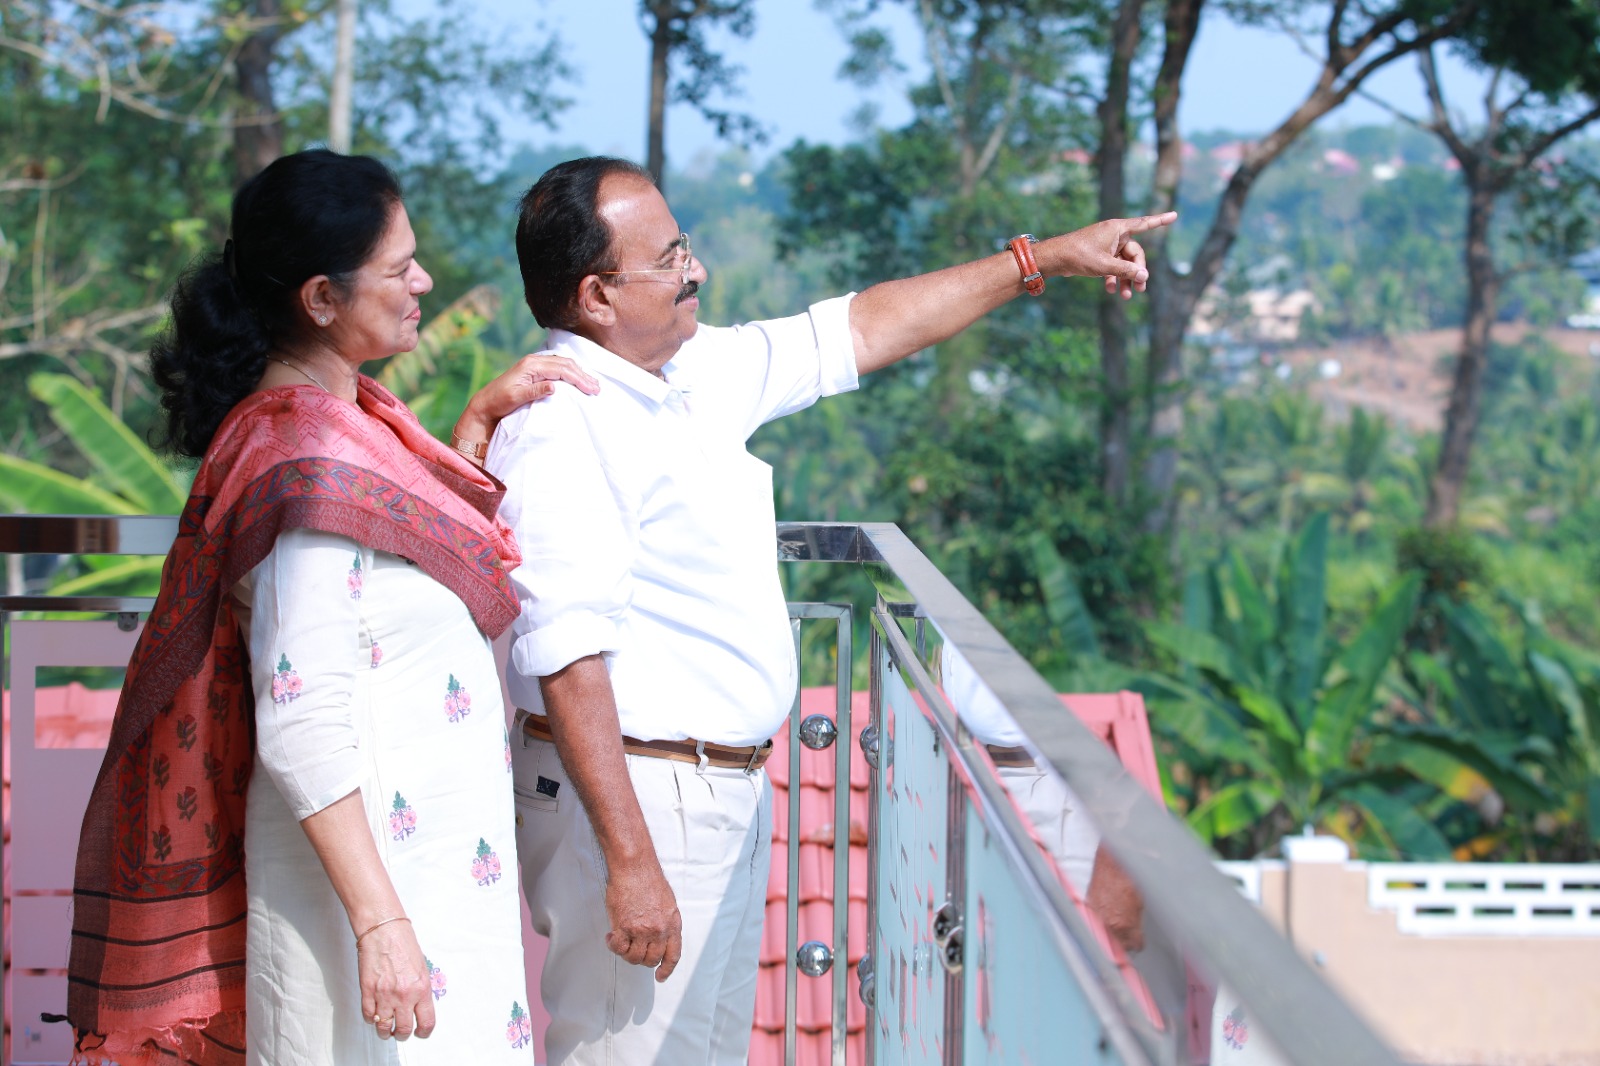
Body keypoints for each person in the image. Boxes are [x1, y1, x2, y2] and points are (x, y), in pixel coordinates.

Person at [489, 155, 1174, 1065]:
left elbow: (859, 327)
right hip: (642, 801)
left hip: (713, 791)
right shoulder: (563, 423)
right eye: (671, 259)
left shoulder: (685, 374)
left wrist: (1041, 260)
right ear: (597, 295)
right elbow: (565, 655)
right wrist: (632, 860)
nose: (696, 271)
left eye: (686, 247)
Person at [65, 148, 597, 1066]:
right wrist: (381, 926)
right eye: (400, 268)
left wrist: (473, 428)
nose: (424, 283)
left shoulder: (347, 431)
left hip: (428, 877)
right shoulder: (305, 467)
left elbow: (390, 587)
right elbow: (301, 713)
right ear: (321, 298)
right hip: (369, 902)